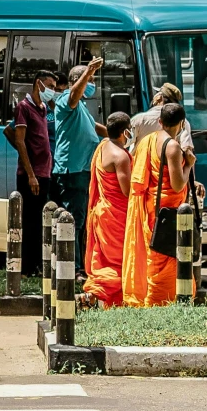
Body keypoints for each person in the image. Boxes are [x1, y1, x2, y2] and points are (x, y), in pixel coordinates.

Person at [122, 99, 193, 307]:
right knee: (167, 255)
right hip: (168, 209)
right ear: (181, 124)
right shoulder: (172, 147)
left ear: (160, 122)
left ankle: (148, 295)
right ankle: (160, 300)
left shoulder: (148, 140)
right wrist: (189, 165)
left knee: (153, 255)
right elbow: (178, 184)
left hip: (151, 206)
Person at [48, 58, 103, 279]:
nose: (92, 84)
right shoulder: (65, 99)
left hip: (83, 170)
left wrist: (119, 134)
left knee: (81, 220)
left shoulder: (80, 106)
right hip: (72, 170)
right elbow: (73, 95)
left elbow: (94, 127)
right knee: (75, 221)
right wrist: (87, 71)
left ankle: (78, 265)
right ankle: (75, 269)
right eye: (90, 80)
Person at [6, 68, 60, 277]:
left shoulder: (43, 108)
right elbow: (19, 140)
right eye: (51, 87)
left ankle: (37, 263)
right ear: (39, 83)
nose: (53, 91)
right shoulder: (24, 107)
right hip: (32, 174)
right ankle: (27, 267)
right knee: (29, 222)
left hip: (44, 172)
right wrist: (30, 174)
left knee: (40, 221)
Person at [81, 111, 133, 306]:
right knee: (118, 261)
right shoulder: (121, 157)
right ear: (125, 132)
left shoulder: (102, 147)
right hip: (117, 216)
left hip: (103, 212)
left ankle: (97, 296)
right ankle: (94, 294)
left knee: (103, 259)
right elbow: (127, 191)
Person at [131, 80, 193, 156]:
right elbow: (187, 150)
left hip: (141, 166)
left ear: (159, 97)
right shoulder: (182, 122)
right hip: (169, 166)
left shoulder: (139, 119)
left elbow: (123, 142)